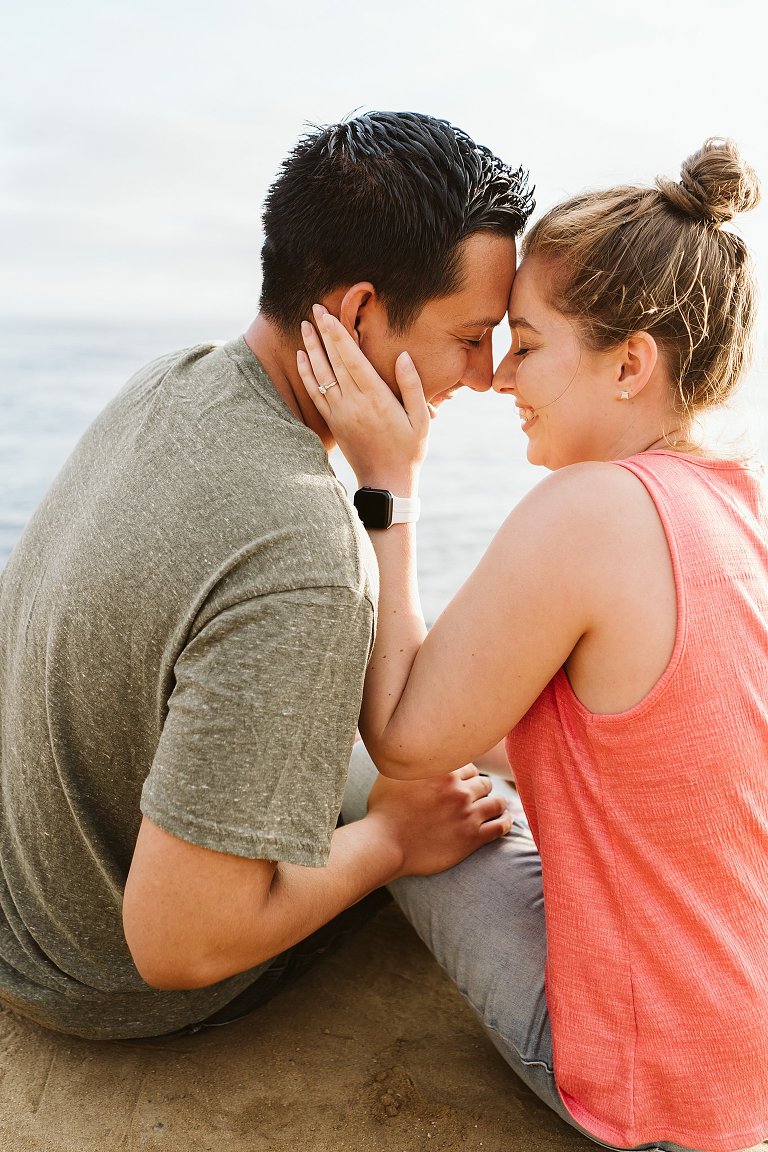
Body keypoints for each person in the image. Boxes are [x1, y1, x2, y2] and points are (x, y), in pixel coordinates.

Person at [0, 111, 534, 1040]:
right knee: (463, 817)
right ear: (358, 312)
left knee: (426, 732)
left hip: (27, 895)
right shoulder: (305, 559)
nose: (485, 375)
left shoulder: (175, 380)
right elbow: (180, 944)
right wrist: (390, 844)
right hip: (93, 974)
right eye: (470, 335)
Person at [297, 137, 768, 1152]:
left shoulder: (590, 509)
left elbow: (406, 738)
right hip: (743, 1046)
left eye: (530, 341)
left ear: (630, 362)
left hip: (660, 1094)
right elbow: (637, 756)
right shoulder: (738, 509)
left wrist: (389, 483)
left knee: (386, 788)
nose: (503, 374)